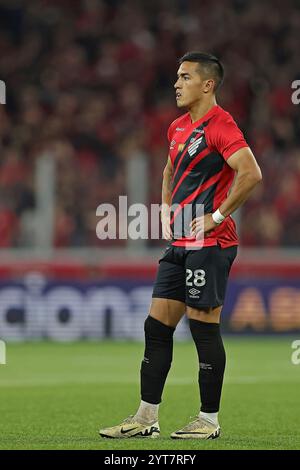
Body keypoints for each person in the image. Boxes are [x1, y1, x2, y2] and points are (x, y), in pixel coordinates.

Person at [99, 52, 262, 440]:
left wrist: (218, 216)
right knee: (157, 327)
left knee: (203, 329)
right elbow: (170, 169)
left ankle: (209, 420)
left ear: (207, 84)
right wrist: (166, 210)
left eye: (185, 76)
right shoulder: (176, 128)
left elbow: (251, 172)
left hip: (211, 243)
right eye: (177, 76)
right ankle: (145, 419)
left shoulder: (220, 125)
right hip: (181, 242)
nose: (176, 83)